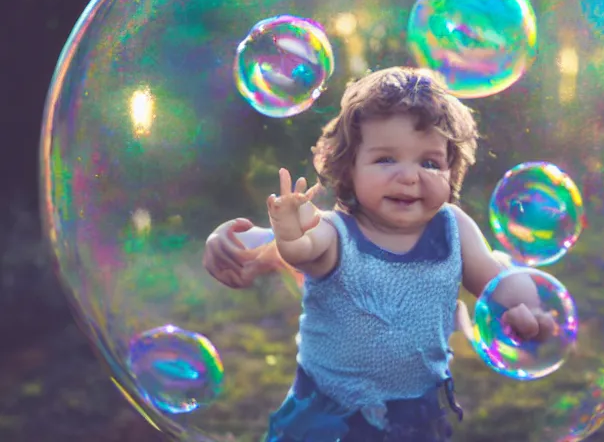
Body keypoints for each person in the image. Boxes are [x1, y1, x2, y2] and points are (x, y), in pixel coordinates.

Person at [202, 67, 555, 442]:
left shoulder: (453, 228)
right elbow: (299, 246)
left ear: (452, 173)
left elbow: (497, 279)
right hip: (330, 419)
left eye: (430, 163)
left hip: (415, 416)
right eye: (386, 159)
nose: (409, 175)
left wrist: (527, 309)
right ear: (349, 168)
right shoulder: (336, 231)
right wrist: (252, 237)